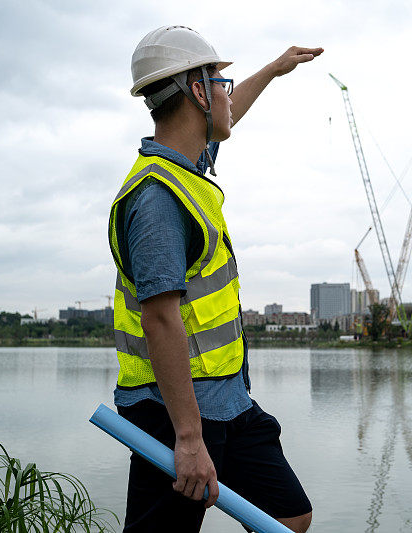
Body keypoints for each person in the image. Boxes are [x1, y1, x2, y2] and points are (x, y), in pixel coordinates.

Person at [108, 25, 323, 532]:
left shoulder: (187, 170)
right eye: (220, 85)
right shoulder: (159, 198)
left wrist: (272, 70)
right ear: (199, 93)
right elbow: (160, 318)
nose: (230, 97)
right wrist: (187, 438)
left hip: (227, 401)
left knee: (290, 517)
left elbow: (224, 119)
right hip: (176, 413)